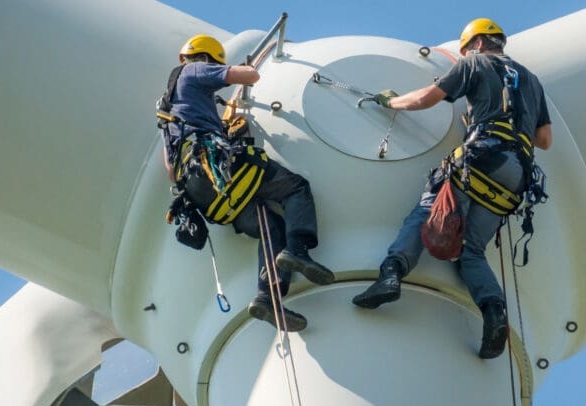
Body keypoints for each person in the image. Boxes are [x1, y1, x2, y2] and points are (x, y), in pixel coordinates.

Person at [352, 19, 553, 358]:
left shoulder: (474, 63)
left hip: (481, 157)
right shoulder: (531, 81)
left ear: (474, 44)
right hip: (515, 177)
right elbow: (544, 140)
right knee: (471, 250)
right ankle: (494, 312)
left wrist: (391, 103)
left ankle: (391, 275)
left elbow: (426, 99)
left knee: (427, 211)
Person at [158, 34, 335, 332]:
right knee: (295, 188)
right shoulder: (195, 70)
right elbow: (248, 75)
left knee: (271, 225)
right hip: (218, 166)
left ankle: (267, 298)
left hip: (202, 190)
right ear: (206, 58)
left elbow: (170, 171)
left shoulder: (167, 108)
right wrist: (244, 70)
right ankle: (299, 250)